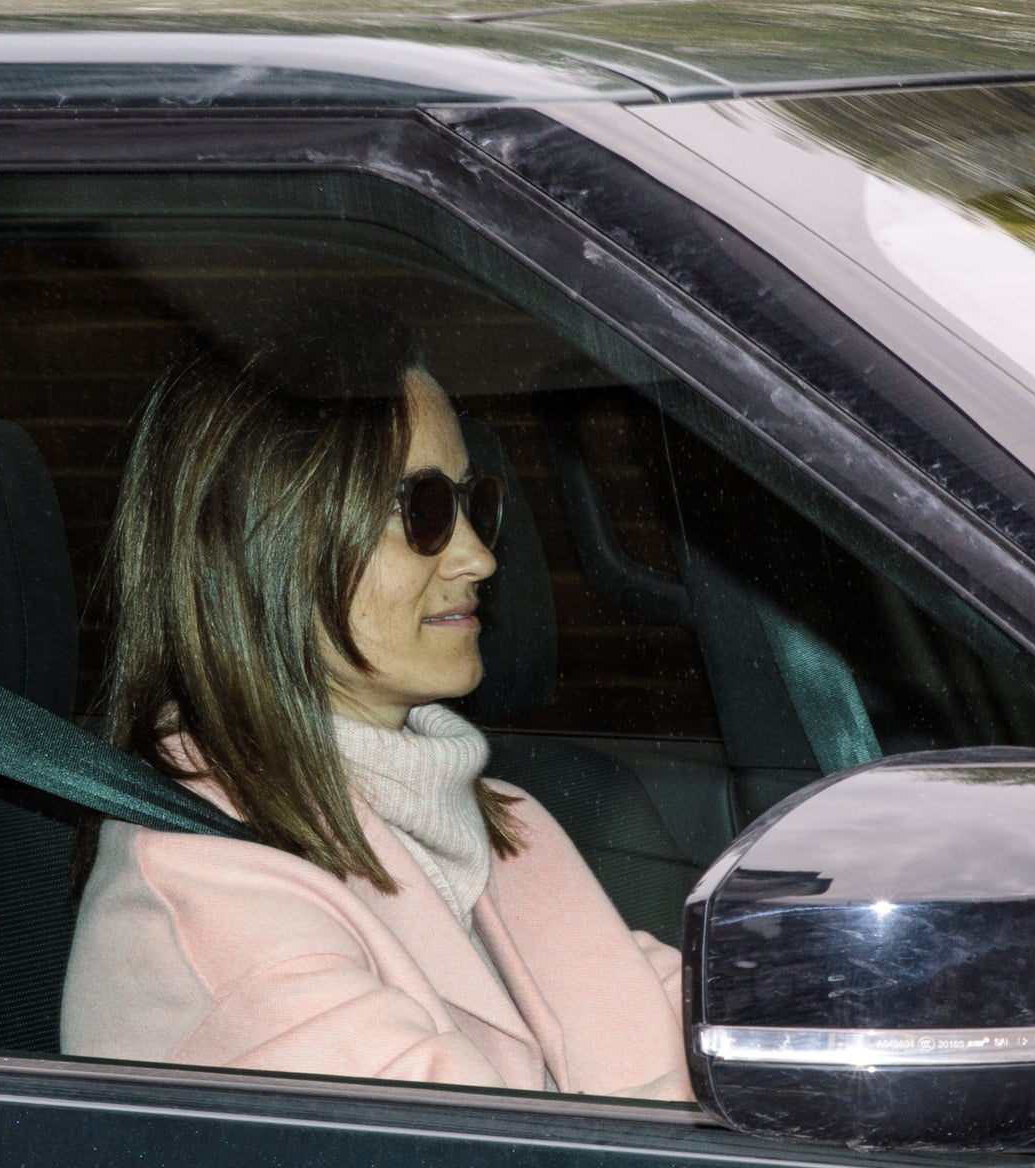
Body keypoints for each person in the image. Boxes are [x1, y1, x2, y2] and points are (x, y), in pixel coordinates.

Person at [60, 310, 690, 1100]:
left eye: (474, 502)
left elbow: (697, 1020)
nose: (480, 555)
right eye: (423, 509)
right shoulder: (206, 896)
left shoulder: (483, 820)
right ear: (269, 537)